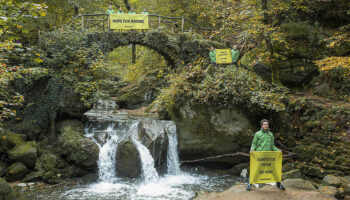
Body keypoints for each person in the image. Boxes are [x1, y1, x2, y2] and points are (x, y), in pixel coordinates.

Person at [247, 119, 285, 191]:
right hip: (259, 155)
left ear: (268, 125)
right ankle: (249, 183)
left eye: (267, 124)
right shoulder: (257, 134)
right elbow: (254, 143)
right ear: (262, 125)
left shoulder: (270, 134)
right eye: (264, 124)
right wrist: (252, 150)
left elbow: (272, 146)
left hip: (269, 156)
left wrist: (278, 150)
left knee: (273, 169)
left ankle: (278, 183)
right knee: (256, 169)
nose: (265, 125)